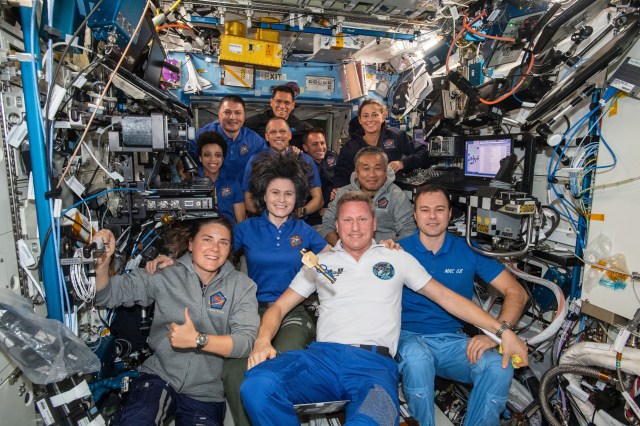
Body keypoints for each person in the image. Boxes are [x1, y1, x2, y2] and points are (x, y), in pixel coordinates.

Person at [239, 191, 528, 426]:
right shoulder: (320, 263)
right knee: (256, 385)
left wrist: (501, 332)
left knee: (370, 419)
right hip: (322, 359)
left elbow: (447, 297)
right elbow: (278, 307)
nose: (355, 227)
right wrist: (263, 341)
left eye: (362, 219)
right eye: (347, 220)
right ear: (336, 225)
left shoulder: (396, 258)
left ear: (374, 224)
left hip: (374, 367)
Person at [92, 218, 260, 426]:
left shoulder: (242, 286)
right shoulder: (165, 274)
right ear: (191, 244)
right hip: (159, 376)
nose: (215, 248)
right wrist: (102, 263)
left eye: (223, 242)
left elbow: (245, 342)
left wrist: (198, 340)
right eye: (207, 239)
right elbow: (106, 296)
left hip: (207, 391)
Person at [396, 184, 528, 426]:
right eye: (425, 210)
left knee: (498, 367)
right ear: (415, 215)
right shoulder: (398, 250)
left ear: (450, 214)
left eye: (439, 209)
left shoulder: (469, 250)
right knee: (417, 359)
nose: (432, 216)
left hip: (452, 341)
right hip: (408, 338)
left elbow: (516, 292)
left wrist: (497, 334)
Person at [225, 153, 331, 426]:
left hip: (293, 309)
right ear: (263, 194)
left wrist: (380, 249)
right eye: (275, 192)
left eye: (289, 194)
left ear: (298, 198)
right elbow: (212, 254)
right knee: (236, 372)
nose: (282, 199)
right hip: (251, 309)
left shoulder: (305, 232)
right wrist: (174, 260)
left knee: (282, 362)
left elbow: (335, 262)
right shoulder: (246, 229)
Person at [321, 147, 416, 246]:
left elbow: (408, 230)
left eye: (377, 168)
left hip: (384, 255)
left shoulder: (396, 195)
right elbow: (328, 225)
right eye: (366, 168)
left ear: (386, 172)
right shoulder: (342, 194)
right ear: (356, 173)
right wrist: (342, 247)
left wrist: (384, 248)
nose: (372, 174)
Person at [334, 98, 430, 188]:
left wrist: (403, 163)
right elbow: (340, 175)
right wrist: (340, 189)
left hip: (393, 194)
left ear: (383, 117)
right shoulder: (350, 146)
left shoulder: (396, 136)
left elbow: (423, 151)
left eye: (375, 115)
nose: (370, 120)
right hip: (362, 196)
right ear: (360, 120)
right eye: (365, 116)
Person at [242, 117, 323, 220]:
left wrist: (298, 213)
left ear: (290, 135)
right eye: (273, 132)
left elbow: (318, 199)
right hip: (263, 222)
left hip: (296, 223)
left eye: (282, 131)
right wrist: (271, 215)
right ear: (266, 136)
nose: (278, 135)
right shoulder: (256, 160)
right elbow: (247, 200)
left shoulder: (305, 161)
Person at [193, 94, 268, 184]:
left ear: (244, 116)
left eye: (238, 113)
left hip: (242, 195)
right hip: (209, 191)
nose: (232, 117)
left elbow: (268, 160)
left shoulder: (255, 140)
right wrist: (180, 163)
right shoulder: (200, 136)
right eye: (227, 112)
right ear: (219, 114)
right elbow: (186, 158)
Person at [196, 131, 245, 225]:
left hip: (227, 236)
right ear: (200, 158)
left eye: (218, 155)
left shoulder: (233, 183)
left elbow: (241, 222)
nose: (213, 159)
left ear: (222, 158)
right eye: (207, 155)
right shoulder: (192, 183)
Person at [244, 85, 313, 149]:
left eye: (287, 103)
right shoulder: (252, 124)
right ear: (271, 102)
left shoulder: (300, 128)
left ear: (293, 105)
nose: (282, 106)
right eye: (278, 101)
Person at [301, 128, 338, 227]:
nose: (320, 147)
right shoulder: (300, 165)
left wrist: (339, 188)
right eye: (314, 144)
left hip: (336, 214)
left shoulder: (333, 157)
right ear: (305, 147)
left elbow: (344, 178)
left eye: (323, 143)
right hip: (313, 220)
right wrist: (318, 212)